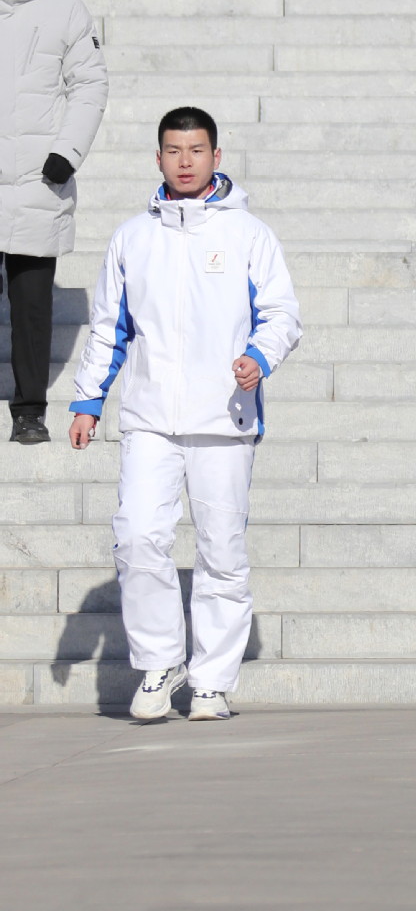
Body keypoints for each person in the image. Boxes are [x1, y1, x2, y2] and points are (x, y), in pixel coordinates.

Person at [66, 107, 302, 722]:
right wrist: (88, 399)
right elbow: (108, 327)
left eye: (197, 150)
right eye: (174, 150)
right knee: (138, 537)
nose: (186, 161)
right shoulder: (131, 238)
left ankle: (212, 682)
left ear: (216, 157)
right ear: (159, 158)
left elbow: (281, 315)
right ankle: (158, 664)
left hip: (224, 418)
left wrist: (258, 356)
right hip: (149, 419)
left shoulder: (248, 234)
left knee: (222, 551)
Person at [0, 0, 109, 444]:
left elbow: (90, 85)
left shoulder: (65, 8)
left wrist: (66, 152)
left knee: (32, 304)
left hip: (38, 179)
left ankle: (28, 410)